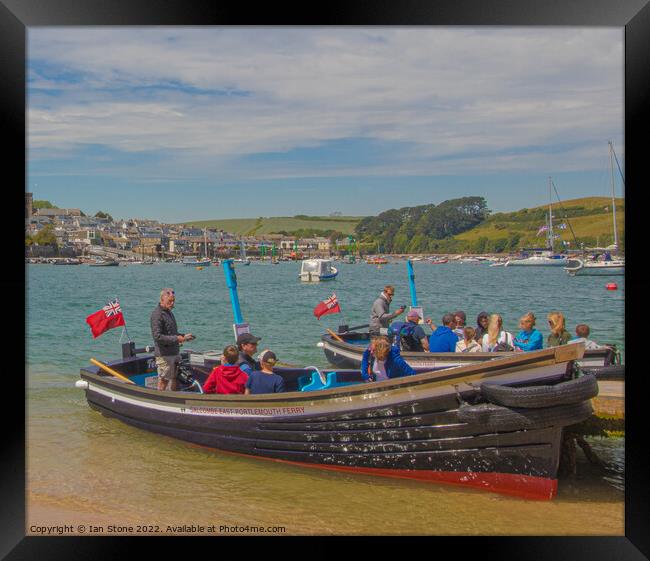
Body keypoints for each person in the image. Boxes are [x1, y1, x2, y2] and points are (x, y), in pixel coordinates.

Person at [150, 288, 195, 391]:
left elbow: (172, 333)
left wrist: (184, 337)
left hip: (174, 353)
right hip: (164, 355)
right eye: (169, 301)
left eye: (173, 301)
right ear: (162, 300)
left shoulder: (169, 312)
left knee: (177, 377)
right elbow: (157, 337)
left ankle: (176, 398)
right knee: (164, 380)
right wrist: (177, 338)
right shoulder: (157, 315)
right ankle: (159, 401)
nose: (172, 303)